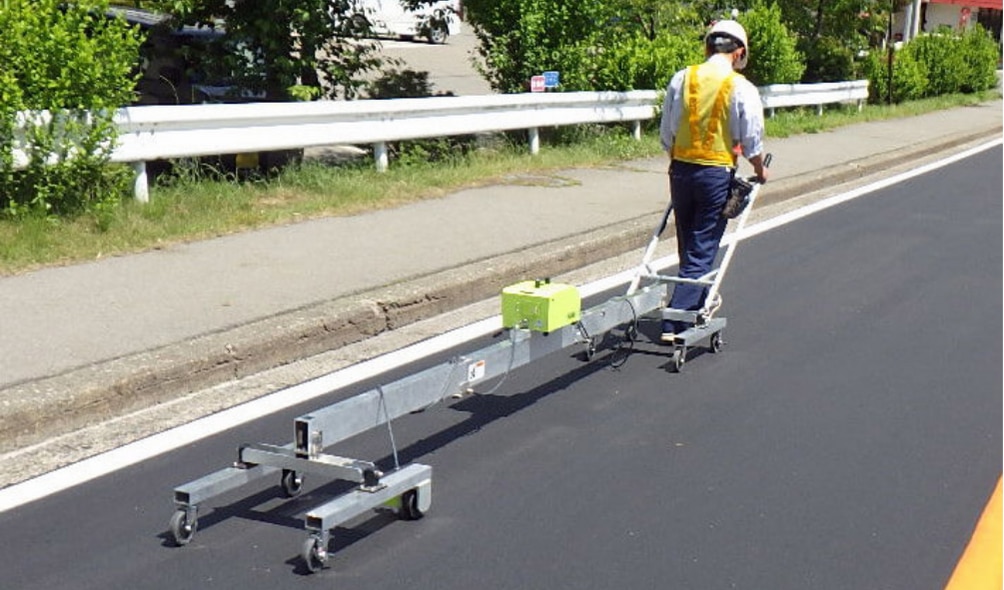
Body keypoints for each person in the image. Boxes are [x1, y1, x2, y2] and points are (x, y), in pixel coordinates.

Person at [657, 19, 768, 343]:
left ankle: (693, 301)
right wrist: (760, 169)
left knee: (688, 242)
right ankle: (677, 319)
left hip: (680, 170)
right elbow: (751, 139)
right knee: (703, 244)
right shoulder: (741, 87)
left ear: (708, 47)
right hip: (715, 174)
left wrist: (680, 160)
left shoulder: (682, 77)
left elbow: (667, 132)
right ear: (739, 52)